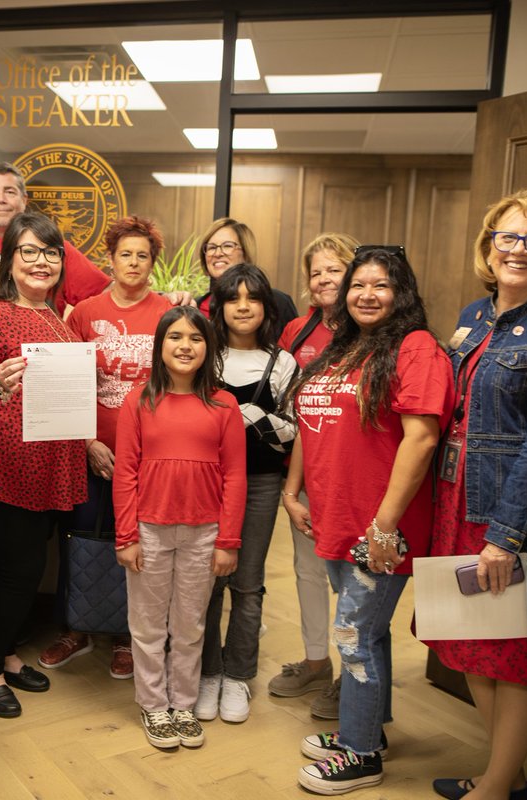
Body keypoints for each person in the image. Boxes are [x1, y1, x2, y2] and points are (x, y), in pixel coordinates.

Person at [424, 189, 527, 800]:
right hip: (451, 497)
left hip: (499, 508)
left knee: (507, 655)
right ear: (489, 247)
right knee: (466, 644)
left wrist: (505, 534)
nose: (519, 250)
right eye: (508, 237)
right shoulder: (473, 313)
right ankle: (508, 776)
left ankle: (497, 787)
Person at [283, 246, 452, 794]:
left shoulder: (416, 348)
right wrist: (297, 492)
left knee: (353, 636)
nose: (367, 295)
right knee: (367, 635)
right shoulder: (344, 349)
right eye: (359, 285)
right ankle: (367, 732)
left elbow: (422, 437)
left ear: (402, 293)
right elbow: (314, 425)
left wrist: (383, 526)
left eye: (381, 285)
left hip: (380, 530)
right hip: (337, 519)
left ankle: (359, 756)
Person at [0, 211, 89, 718]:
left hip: (49, 466)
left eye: (50, 253)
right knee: (17, 571)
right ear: (10, 259)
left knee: (22, 571)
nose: (40, 262)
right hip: (4, 468)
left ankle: (5, 655)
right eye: (29, 251)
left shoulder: (58, 318)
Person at [38, 215, 172, 679]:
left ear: (153, 263)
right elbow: (67, 385)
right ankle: (74, 628)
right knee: (76, 538)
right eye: (125, 255)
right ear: (110, 260)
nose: (133, 263)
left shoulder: (168, 314)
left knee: (131, 543)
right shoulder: (86, 314)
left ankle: (122, 635)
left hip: (146, 457)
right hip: (89, 450)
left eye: (142, 256)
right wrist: (89, 442)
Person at [114, 306, 247, 750]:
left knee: (190, 625)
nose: (185, 345)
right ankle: (154, 704)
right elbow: (125, 473)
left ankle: (183, 703)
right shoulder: (139, 400)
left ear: (208, 348)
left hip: (204, 532)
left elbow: (235, 476)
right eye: (175, 336)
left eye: (195, 337)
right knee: (148, 625)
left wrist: (228, 541)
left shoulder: (225, 404)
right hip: (148, 530)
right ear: (160, 345)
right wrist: (126, 536)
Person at [195, 264, 297, 724]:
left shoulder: (283, 362)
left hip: (259, 484)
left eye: (252, 299)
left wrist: (248, 415)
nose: (241, 307)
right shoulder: (202, 354)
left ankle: (238, 676)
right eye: (232, 298)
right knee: (206, 582)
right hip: (203, 483)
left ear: (265, 307)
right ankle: (207, 673)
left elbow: (294, 434)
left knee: (247, 581)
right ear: (217, 307)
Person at [270, 232, 359, 717]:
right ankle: (315, 661)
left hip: (350, 478)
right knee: (307, 572)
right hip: (301, 476)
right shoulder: (297, 332)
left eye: (334, 269)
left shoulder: (373, 329)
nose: (324, 279)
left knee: (349, 579)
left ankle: (353, 674)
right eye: (316, 272)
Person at [0, 161, 110, 316]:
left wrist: (74, 331)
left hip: (40, 337)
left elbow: (108, 296)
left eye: (10, 192)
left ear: (24, 200)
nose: (1, 199)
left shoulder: (54, 249)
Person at [195, 217, 298, 333]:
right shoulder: (195, 307)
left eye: (227, 246)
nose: (218, 253)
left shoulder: (278, 302)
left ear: (245, 252)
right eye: (212, 247)